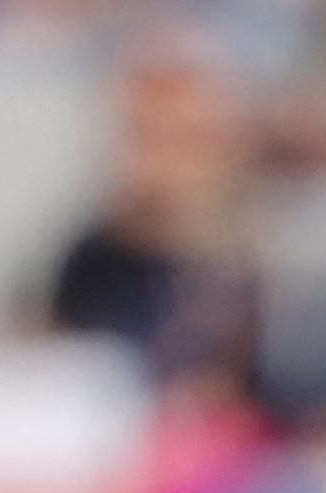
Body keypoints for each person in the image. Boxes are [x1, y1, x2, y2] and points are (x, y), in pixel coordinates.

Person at [49, 41, 271, 418]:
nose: (162, 164)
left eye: (186, 140)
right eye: (146, 138)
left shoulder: (265, 264)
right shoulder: (96, 258)